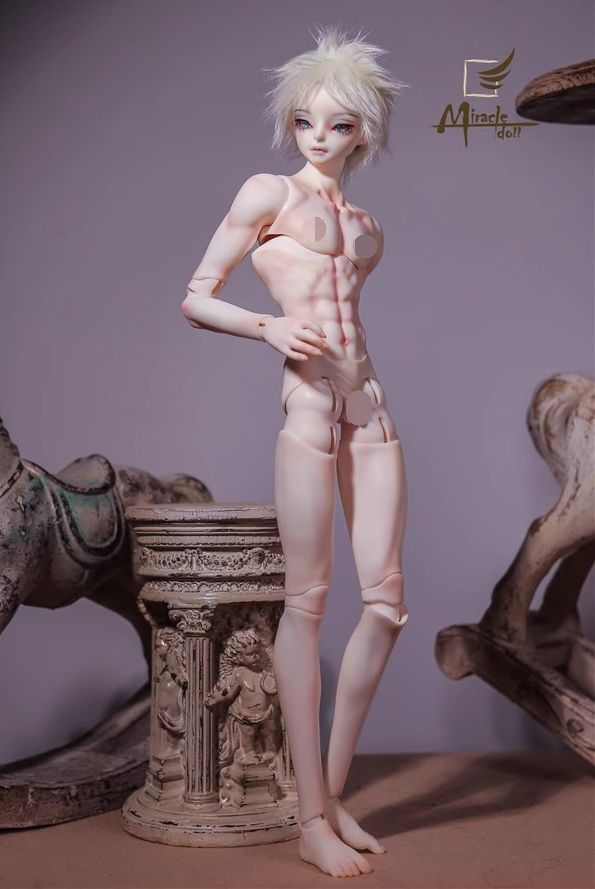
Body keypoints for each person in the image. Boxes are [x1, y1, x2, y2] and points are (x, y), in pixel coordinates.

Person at [181, 25, 410, 878]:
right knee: (306, 603)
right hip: (307, 400)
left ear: (363, 131)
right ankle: (308, 816)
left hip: (369, 399)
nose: (318, 136)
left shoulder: (366, 225)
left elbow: (350, 319)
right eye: (306, 120)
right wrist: (267, 326)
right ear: (290, 121)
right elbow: (196, 295)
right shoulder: (266, 193)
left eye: (338, 124)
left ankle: (331, 795)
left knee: (385, 604)